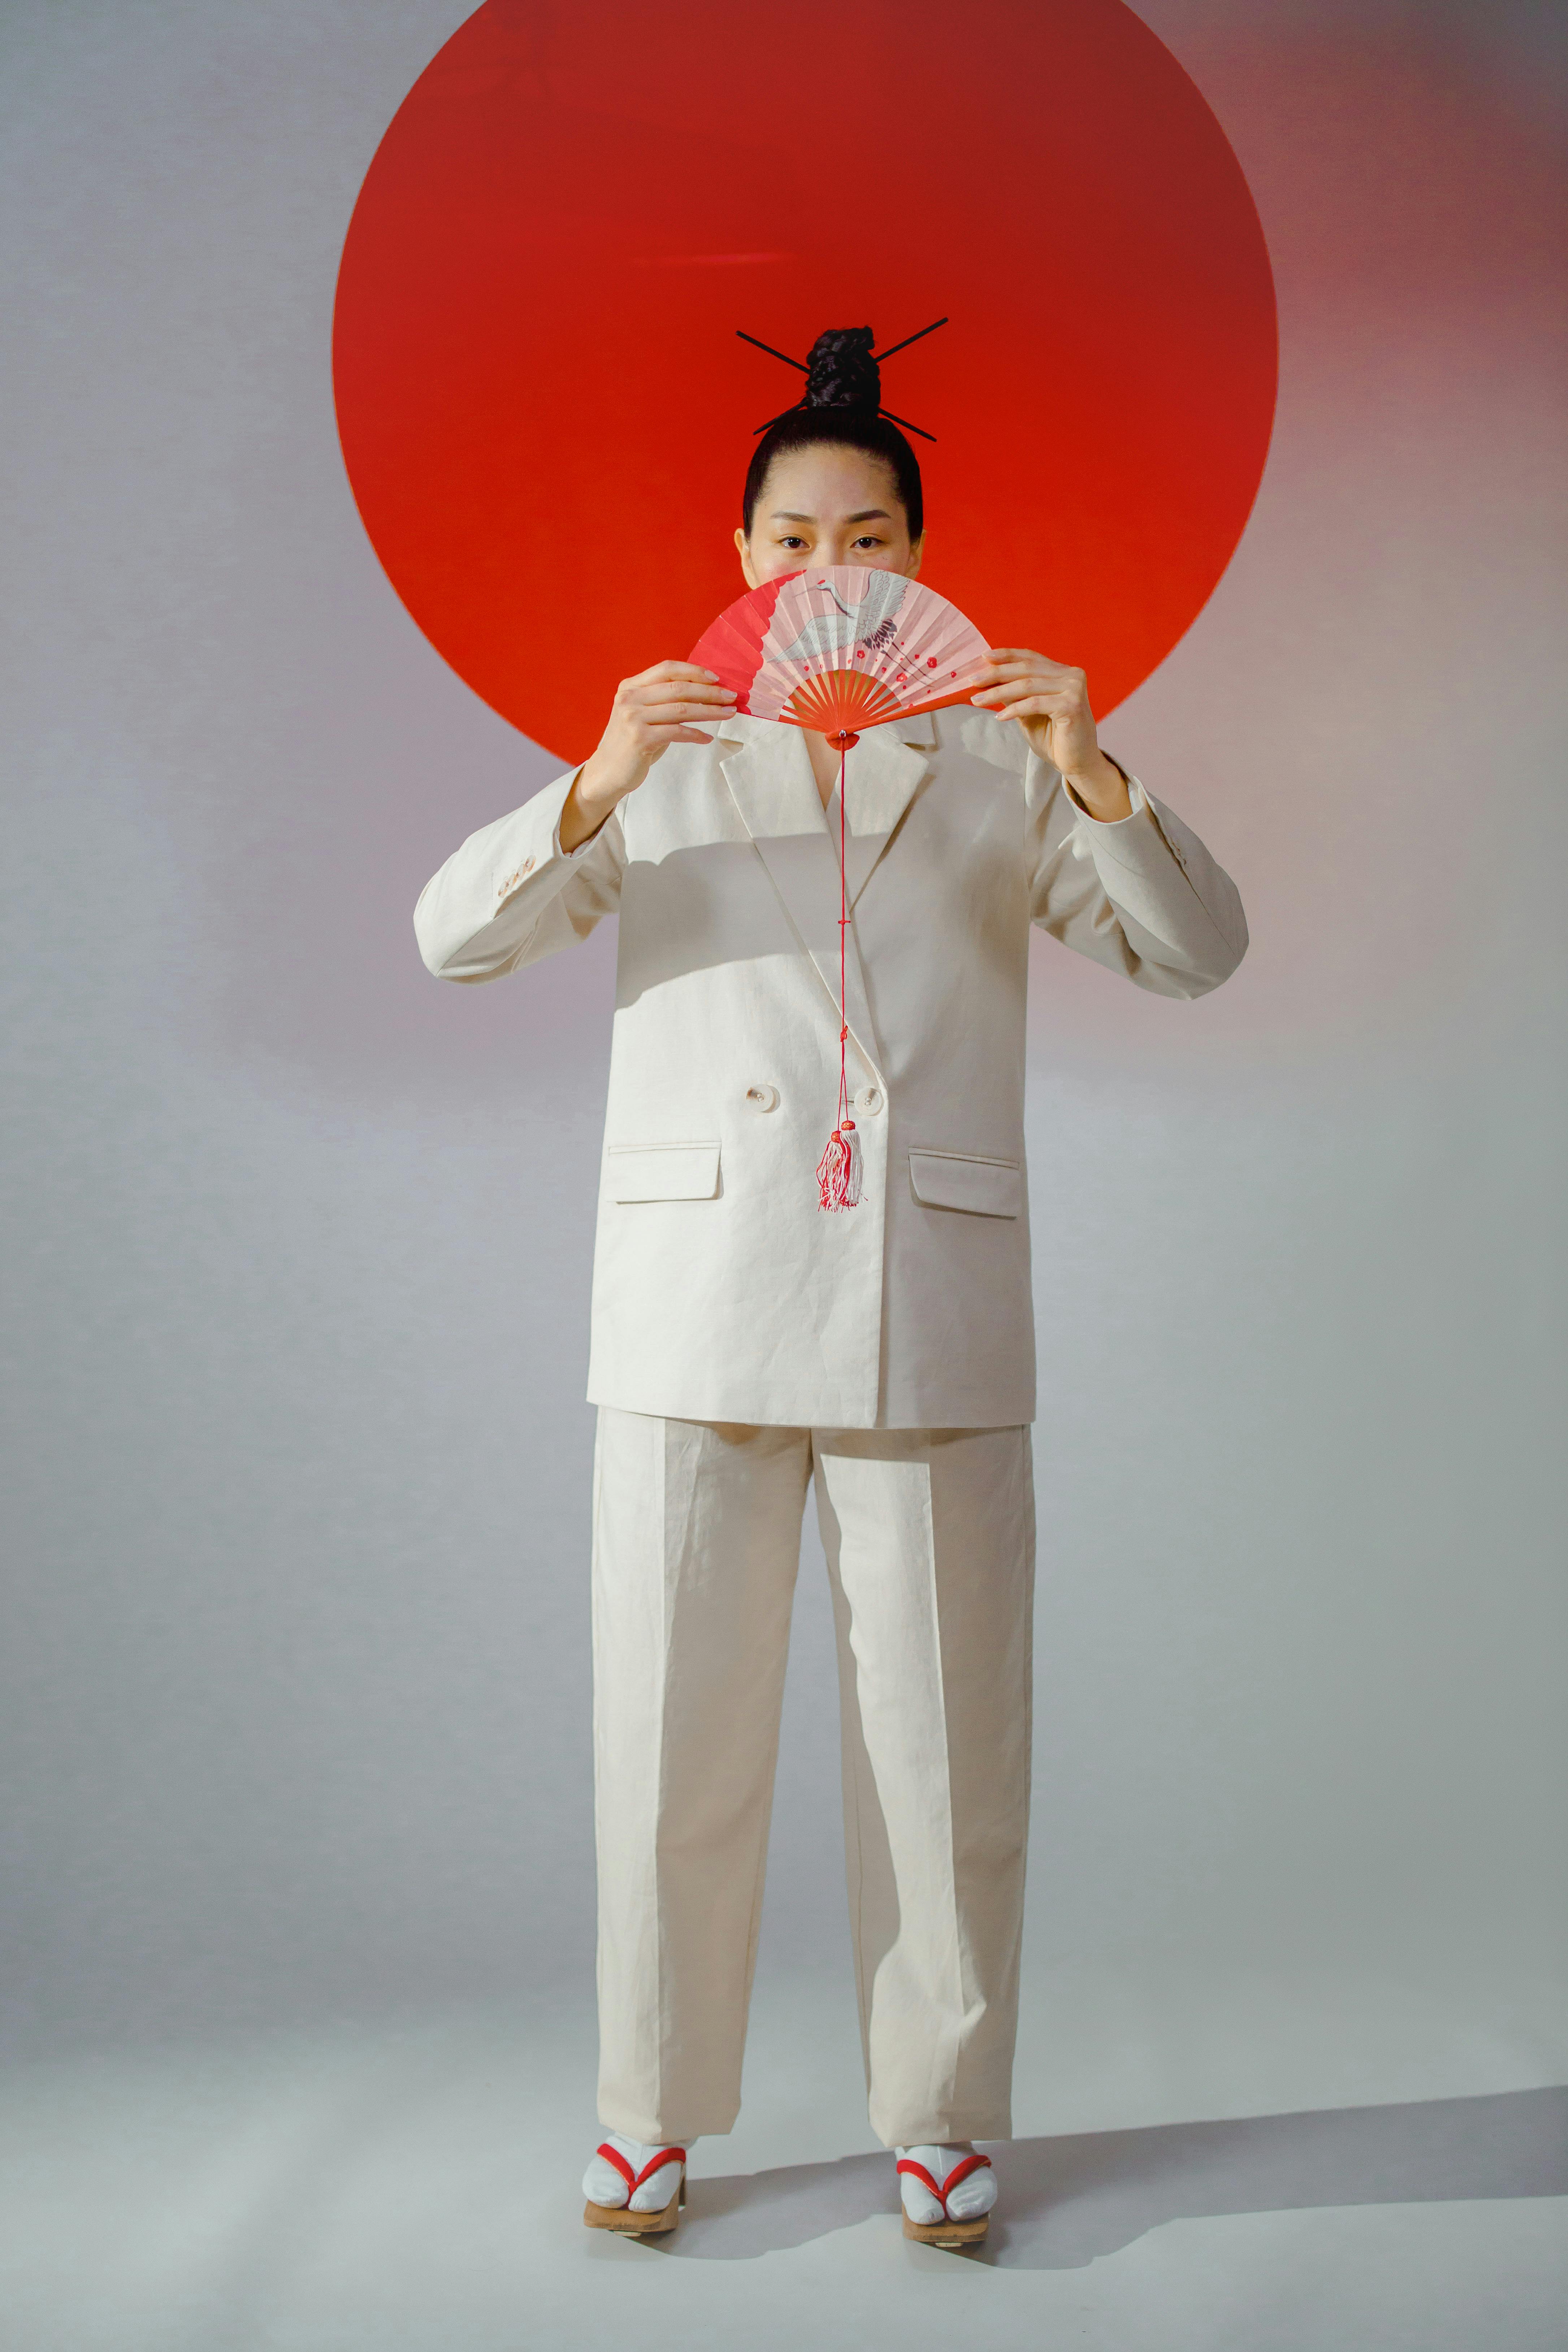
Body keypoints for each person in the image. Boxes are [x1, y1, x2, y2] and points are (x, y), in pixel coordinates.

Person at [413, 327, 1248, 2246]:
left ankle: (941, 2108)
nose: (824, 570)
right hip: (693, 1287)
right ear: (738, 547)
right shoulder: (663, 749)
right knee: (666, 1742)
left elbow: (1194, 954)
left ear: (921, 555)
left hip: (925, 1297)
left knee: (947, 1750)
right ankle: (648, 2110)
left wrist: (1093, 767)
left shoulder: (1001, 759)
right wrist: (592, 776)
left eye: (865, 533)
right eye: (790, 534)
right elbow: (455, 940)